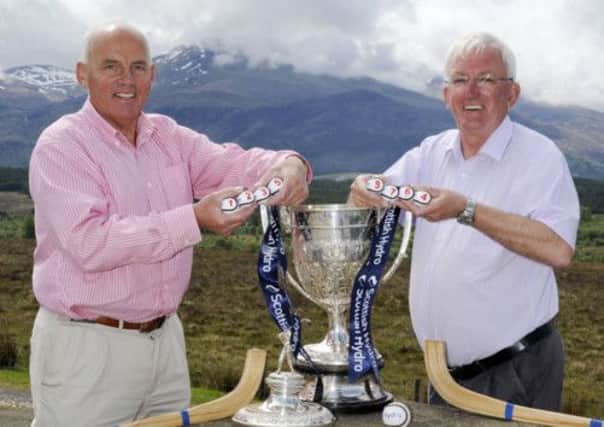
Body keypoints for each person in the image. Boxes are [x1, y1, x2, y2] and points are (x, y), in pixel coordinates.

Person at [28, 24, 311, 427]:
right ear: (82, 74)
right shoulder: (62, 146)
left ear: (153, 75)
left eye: (138, 67)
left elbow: (232, 163)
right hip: (85, 350)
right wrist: (194, 218)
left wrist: (288, 164)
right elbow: (91, 243)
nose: (127, 79)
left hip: (166, 345)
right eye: (111, 66)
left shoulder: (168, 135)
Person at [349, 32, 579, 411]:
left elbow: (558, 248)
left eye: (486, 79)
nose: (471, 91)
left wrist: (467, 210)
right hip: (445, 376)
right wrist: (360, 190)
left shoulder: (540, 157)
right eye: (459, 80)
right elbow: (366, 208)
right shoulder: (430, 152)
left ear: (512, 93)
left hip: (516, 370)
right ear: (445, 94)